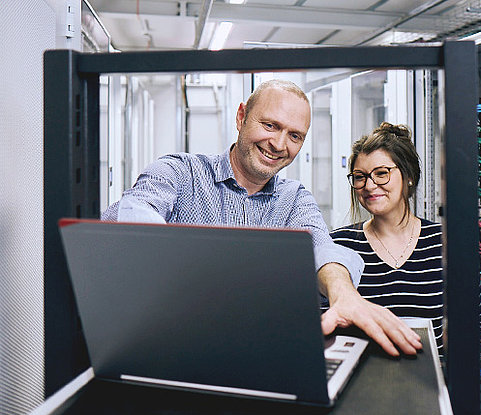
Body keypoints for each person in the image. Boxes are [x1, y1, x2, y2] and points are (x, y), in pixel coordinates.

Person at [102, 80, 423, 357]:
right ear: (241, 116)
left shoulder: (294, 198)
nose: (279, 144)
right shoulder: (181, 173)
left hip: (260, 357)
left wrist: (344, 294)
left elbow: (321, 250)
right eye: (270, 125)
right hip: (172, 350)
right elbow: (134, 216)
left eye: (295, 136)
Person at [330, 122, 481, 356]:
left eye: (382, 174)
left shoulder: (446, 242)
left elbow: (479, 323)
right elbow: (326, 323)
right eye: (360, 177)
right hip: (361, 383)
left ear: (408, 176)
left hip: (436, 383)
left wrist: (461, 345)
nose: (370, 185)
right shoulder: (339, 246)